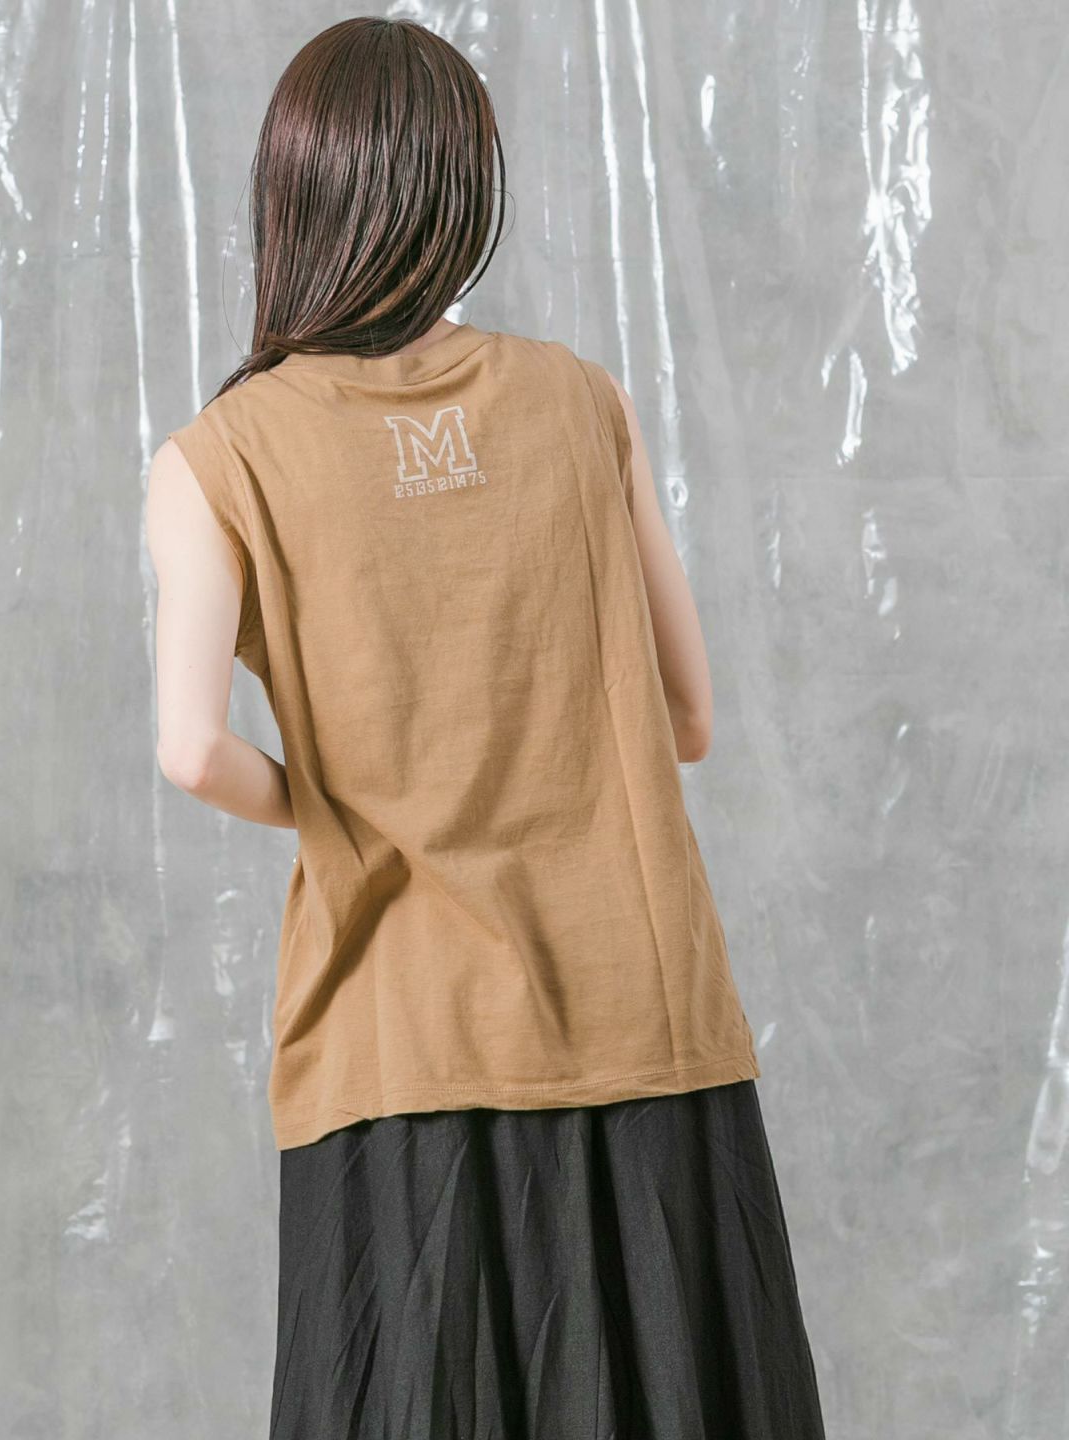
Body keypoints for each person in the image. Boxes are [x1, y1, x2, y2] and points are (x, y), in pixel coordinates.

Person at [145, 15, 826, 1439]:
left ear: (294, 190)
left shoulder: (221, 456)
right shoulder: (585, 402)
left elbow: (190, 749)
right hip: (648, 1028)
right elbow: (688, 717)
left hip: (396, 1047)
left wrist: (341, 798)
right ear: (464, 190)